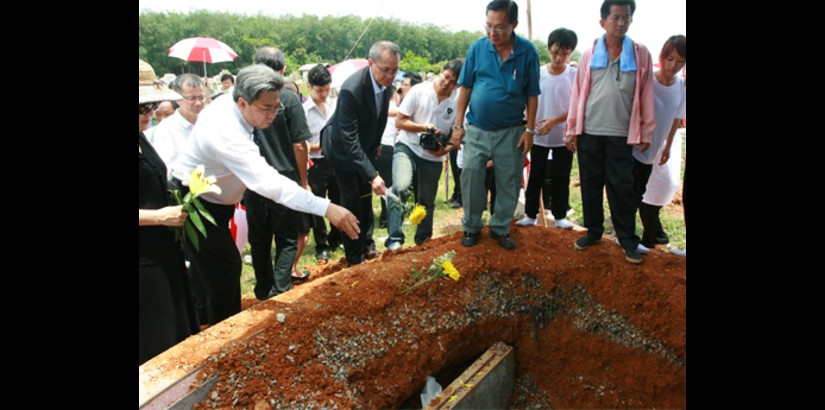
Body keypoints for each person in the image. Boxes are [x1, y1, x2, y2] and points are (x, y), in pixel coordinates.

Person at [171, 64, 360, 325]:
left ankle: (203, 320)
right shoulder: (226, 132)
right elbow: (272, 185)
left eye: (277, 107)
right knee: (225, 268)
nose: (273, 115)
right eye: (266, 108)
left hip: (214, 198)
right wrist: (327, 208)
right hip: (197, 203)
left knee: (210, 268)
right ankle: (224, 333)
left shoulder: (234, 105)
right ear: (242, 102)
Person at [565, 0, 655, 265]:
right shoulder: (589, 53)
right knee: (591, 184)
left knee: (621, 187)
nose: (620, 22)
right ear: (602, 21)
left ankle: (627, 239)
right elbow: (578, 92)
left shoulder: (641, 54)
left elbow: (647, 94)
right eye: (615, 17)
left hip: (620, 134)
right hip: (590, 131)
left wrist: (646, 132)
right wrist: (572, 130)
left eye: (625, 17)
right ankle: (593, 231)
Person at [449, 0, 541, 250]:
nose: (492, 33)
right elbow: (465, 87)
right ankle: (471, 226)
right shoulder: (477, 49)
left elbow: (533, 94)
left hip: (512, 131)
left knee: (509, 182)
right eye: (488, 26)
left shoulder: (528, 52)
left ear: (514, 25)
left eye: (499, 28)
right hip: (477, 129)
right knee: (471, 177)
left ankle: (500, 227)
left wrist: (529, 130)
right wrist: (458, 126)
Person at [243, 47, 316, 301]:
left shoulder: (245, 99)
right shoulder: (288, 98)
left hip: (253, 180)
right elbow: (299, 144)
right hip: (284, 180)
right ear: (283, 70)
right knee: (286, 238)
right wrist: (303, 182)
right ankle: (280, 288)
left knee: (260, 240)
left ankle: (264, 290)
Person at [138, 59, 197, 365]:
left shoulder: (142, 138)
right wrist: (159, 217)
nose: (149, 114)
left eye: (152, 106)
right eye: (142, 109)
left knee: (175, 332)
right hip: (144, 260)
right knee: (154, 340)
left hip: (165, 252)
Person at [321, 41, 400, 266]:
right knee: (352, 201)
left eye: (394, 70)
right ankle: (354, 257)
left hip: (362, 148)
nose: (390, 75)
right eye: (385, 70)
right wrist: (372, 173)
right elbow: (348, 138)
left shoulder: (386, 86)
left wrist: (375, 144)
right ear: (370, 63)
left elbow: (379, 118)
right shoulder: (351, 89)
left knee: (365, 198)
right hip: (341, 152)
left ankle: (367, 245)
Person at [385, 59, 463, 252]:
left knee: (427, 200)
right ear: (441, 71)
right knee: (400, 187)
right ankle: (394, 239)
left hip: (433, 156)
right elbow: (400, 122)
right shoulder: (419, 90)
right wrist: (423, 127)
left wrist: (444, 150)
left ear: (458, 85)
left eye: (453, 82)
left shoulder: (457, 102)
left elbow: (457, 135)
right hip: (407, 146)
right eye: (446, 76)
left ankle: (424, 240)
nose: (447, 83)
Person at [516, 28, 578, 230]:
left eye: (565, 54)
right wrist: (530, 122)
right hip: (539, 135)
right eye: (555, 52)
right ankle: (530, 214)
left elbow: (578, 107)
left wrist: (556, 121)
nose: (560, 58)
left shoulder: (574, 76)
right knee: (536, 176)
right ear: (549, 50)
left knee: (561, 176)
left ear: (571, 53)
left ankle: (560, 215)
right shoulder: (538, 73)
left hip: (563, 137)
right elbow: (527, 99)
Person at [637, 35, 685, 251]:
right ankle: (649, 238)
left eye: (681, 62)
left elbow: (677, 117)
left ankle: (654, 236)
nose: (674, 66)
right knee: (638, 189)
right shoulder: (648, 79)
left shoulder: (682, 85)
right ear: (662, 57)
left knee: (662, 187)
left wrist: (667, 146)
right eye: (671, 59)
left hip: (665, 144)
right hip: (641, 143)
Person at [304, 64, 342, 263]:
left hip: (335, 161)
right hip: (316, 164)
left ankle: (336, 237)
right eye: (320, 91)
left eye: (327, 90)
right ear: (309, 87)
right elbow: (303, 145)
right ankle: (322, 245)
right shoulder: (304, 111)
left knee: (338, 198)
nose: (324, 95)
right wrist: (322, 146)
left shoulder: (334, 106)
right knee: (318, 203)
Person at [151, 74, 206, 172]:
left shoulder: (211, 122)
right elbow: (166, 169)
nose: (198, 103)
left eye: (201, 97)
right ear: (177, 98)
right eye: (192, 98)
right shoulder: (165, 130)